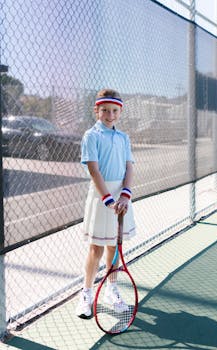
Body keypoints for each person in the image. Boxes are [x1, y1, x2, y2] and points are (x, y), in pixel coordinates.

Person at [76, 88, 136, 318]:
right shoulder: (91, 136)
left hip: (121, 196)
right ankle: (86, 293)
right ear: (96, 111)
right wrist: (108, 199)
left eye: (114, 110)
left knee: (114, 247)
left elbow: (129, 166)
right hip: (101, 197)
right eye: (105, 110)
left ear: (119, 112)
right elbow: (94, 170)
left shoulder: (123, 138)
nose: (110, 115)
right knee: (96, 248)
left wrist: (125, 194)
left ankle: (111, 289)